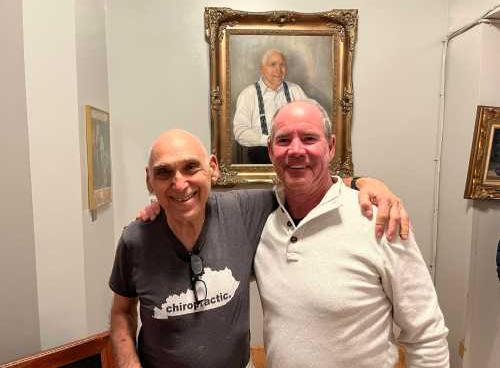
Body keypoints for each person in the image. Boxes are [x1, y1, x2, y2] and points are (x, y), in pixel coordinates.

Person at [110, 130, 409, 368]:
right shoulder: (135, 240)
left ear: (212, 168)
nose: (179, 183)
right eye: (164, 173)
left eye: (191, 167)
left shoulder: (244, 211)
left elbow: (313, 188)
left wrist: (366, 183)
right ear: (149, 179)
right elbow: (122, 311)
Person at [254, 99, 449, 367]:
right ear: (270, 151)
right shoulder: (259, 221)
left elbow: (427, 333)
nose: (296, 150)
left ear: (331, 147)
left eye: (309, 138)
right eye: (284, 140)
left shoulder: (379, 218)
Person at [233, 49, 307, 164]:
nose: (278, 70)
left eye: (282, 65)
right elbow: (240, 132)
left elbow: (311, 120)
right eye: (273, 64)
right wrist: (269, 140)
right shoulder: (248, 95)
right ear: (262, 69)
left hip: (294, 153)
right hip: (261, 156)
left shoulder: (295, 90)